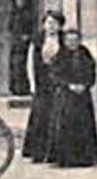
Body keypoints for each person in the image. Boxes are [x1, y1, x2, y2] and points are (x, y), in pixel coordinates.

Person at [48, 27, 97, 168]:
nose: (72, 43)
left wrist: (85, 85)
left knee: (84, 126)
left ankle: (85, 158)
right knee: (66, 126)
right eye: (69, 40)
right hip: (66, 96)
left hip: (82, 97)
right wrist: (68, 85)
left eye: (75, 40)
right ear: (65, 41)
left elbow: (91, 71)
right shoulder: (60, 55)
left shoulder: (85, 54)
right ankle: (67, 159)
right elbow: (55, 75)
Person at [22, 9, 65, 162]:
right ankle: (38, 153)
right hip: (42, 83)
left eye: (54, 23)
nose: (51, 26)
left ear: (60, 26)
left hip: (58, 83)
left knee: (58, 116)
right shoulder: (37, 40)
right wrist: (32, 84)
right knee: (40, 117)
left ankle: (55, 153)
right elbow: (30, 64)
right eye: (48, 23)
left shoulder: (64, 41)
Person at [7, 0, 34, 97]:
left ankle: (22, 89)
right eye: (17, 0)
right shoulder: (14, 14)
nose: (19, 2)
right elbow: (10, 27)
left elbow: (30, 29)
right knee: (14, 65)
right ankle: (14, 88)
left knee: (22, 65)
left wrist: (26, 36)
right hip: (15, 43)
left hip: (24, 44)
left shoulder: (27, 14)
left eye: (21, 0)